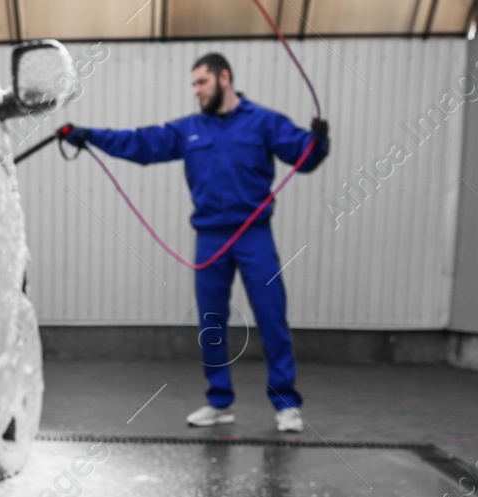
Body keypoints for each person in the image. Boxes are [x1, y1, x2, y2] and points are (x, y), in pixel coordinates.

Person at [62, 53, 328, 431]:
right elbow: (141, 144)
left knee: (271, 315)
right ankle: (219, 402)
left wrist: (318, 140)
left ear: (225, 77)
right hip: (211, 237)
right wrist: (88, 135)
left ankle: (286, 405)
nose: (197, 91)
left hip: (254, 235)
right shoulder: (189, 130)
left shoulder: (263, 122)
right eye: (194, 85)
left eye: (201, 82)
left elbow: (304, 158)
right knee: (212, 322)